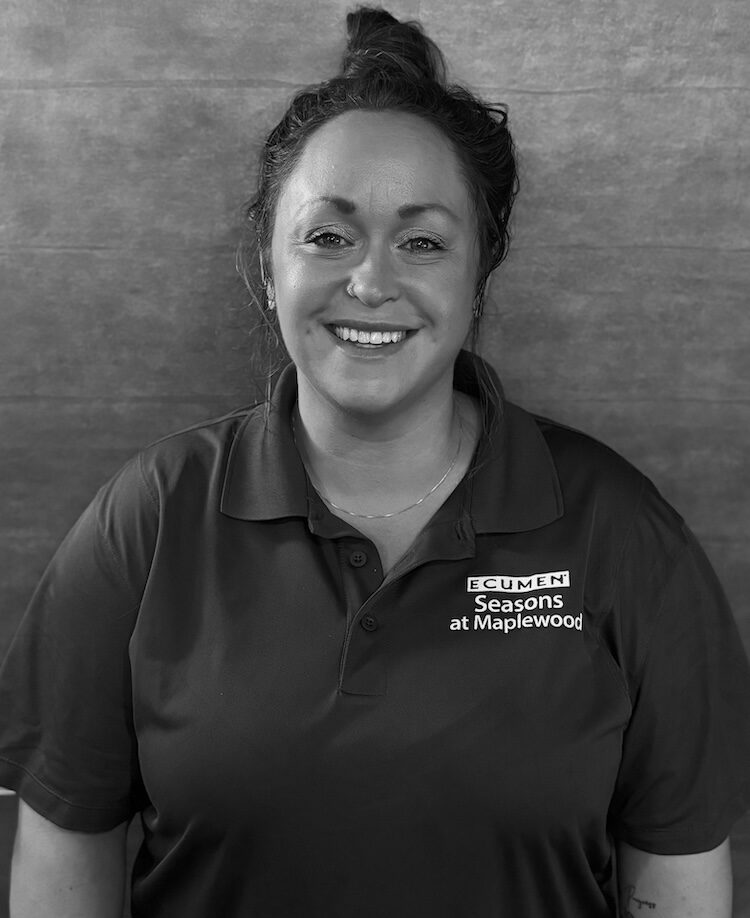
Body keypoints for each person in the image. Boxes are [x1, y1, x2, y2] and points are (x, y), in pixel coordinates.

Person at [1, 7, 749, 917]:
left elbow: (674, 881)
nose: (371, 281)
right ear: (270, 268)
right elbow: (62, 861)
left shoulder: (624, 533)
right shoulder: (149, 517)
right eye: (328, 235)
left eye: (423, 240)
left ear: (478, 277)